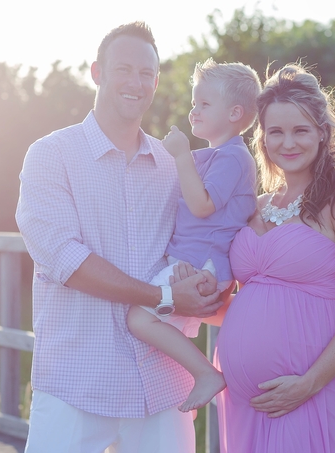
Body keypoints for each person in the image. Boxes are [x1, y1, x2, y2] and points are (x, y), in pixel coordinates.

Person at [15, 22, 223, 453]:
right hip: (77, 379)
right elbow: (66, 260)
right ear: (97, 72)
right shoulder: (51, 155)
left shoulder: (173, 166)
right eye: (124, 69)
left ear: (157, 82)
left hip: (162, 383)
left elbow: (206, 236)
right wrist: (163, 296)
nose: (136, 82)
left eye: (147, 73)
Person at [214, 63, 335, 452]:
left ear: (323, 134)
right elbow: (235, 299)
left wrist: (308, 383)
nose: (288, 142)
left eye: (301, 130)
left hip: (306, 393)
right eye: (276, 131)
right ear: (262, 139)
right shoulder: (253, 205)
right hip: (243, 402)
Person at [126, 58, 260, 414]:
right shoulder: (214, 155)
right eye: (193, 102)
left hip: (202, 268)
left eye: (204, 104)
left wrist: (182, 155)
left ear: (234, 113)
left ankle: (205, 374)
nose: (193, 110)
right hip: (194, 266)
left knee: (138, 319)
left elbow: (202, 206)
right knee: (166, 331)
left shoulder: (233, 158)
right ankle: (181, 395)